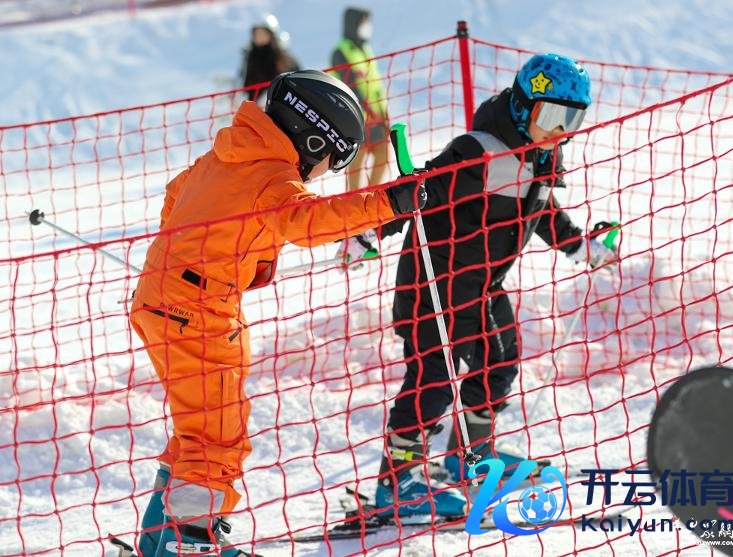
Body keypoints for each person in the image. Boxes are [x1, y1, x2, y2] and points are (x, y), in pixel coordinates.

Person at [129, 70, 425, 555]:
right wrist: (389, 201)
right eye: (331, 161)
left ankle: (161, 535)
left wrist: (192, 255)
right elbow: (310, 221)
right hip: (198, 311)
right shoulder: (273, 178)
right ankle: (190, 540)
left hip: (162, 298)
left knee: (197, 424)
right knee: (216, 434)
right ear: (314, 139)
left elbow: (176, 193)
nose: (322, 173)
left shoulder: (228, 155)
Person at [359, 53, 618, 519]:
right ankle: (396, 483)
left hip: (483, 284)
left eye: (572, 119)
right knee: (433, 380)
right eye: (552, 116)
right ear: (522, 105)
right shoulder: (478, 152)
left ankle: (470, 455)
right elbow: (420, 191)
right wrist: (370, 231)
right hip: (434, 285)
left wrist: (579, 246)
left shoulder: (543, 154)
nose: (561, 129)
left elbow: (541, 209)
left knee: (500, 361)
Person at [330, 7, 389, 192]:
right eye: (364, 22)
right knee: (357, 161)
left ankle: (371, 195)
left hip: (375, 116)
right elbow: (350, 85)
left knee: (383, 154)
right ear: (353, 23)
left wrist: (383, 112)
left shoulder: (365, 49)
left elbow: (375, 84)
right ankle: (354, 199)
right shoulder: (340, 52)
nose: (367, 26)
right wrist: (366, 111)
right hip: (355, 117)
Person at [240, 14, 300, 105]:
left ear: (271, 34)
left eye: (263, 33)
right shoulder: (250, 55)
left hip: (280, 101)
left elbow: (294, 78)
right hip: (255, 103)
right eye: (256, 34)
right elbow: (246, 80)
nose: (259, 37)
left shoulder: (282, 55)